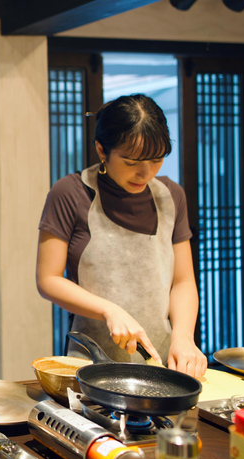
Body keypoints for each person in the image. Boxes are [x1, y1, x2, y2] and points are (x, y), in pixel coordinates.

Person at [36, 94, 207, 378]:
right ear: (102, 150)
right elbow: (48, 279)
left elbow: (183, 281)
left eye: (156, 160)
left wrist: (184, 338)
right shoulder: (70, 192)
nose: (145, 172)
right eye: (131, 162)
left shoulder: (171, 196)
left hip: (161, 362)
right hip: (92, 364)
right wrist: (109, 310)